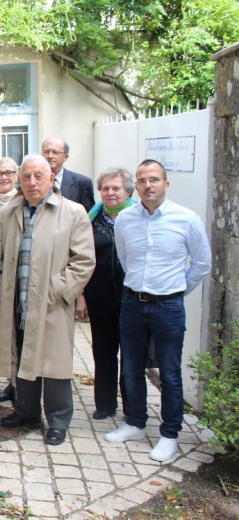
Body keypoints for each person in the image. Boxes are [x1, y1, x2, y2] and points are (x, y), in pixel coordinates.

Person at [105, 160, 211, 462]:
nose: (147, 186)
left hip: (168, 306)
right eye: (141, 181)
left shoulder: (186, 220)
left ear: (166, 184)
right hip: (132, 303)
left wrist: (176, 289)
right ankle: (136, 423)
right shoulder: (125, 219)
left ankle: (169, 434)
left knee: (170, 373)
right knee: (131, 368)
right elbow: (125, 259)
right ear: (135, 187)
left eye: (154, 180)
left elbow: (202, 263)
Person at [0, 155, 95, 446]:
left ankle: (58, 420)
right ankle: (27, 413)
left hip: (51, 304)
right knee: (23, 356)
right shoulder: (9, 212)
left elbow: (84, 261)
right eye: (26, 177)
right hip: (16, 302)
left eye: (39, 176)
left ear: (51, 179)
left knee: (54, 363)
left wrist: (57, 291)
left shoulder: (73, 212)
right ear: (19, 180)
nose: (32, 182)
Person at [75, 168, 135, 420]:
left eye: (116, 188)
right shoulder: (91, 220)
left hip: (132, 300)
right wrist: (81, 295)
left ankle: (133, 406)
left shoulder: (137, 218)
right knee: (103, 352)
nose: (110, 193)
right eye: (106, 188)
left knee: (132, 356)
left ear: (128, 191)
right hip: (99, 298)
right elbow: (78, 258)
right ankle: (105, 404)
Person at [0, 157, 20, 403]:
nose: (4, 177)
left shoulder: (22, 202)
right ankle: (10, 379)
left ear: (16, 175)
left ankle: (18, 384)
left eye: (9, 173)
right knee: (3, 334)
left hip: (17, 278)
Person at [40, 137, 95, 211]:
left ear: (65, 157)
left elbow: (88, 217)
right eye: (46, 151)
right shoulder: (32, 181)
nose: (50, 156)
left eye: (55, 152)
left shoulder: (81, 183)